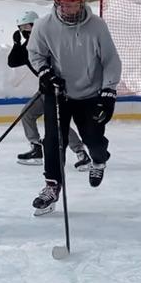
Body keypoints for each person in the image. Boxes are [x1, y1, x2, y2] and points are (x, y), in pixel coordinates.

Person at [27, 0, 122, 214]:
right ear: (56, 2)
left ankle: (99, 159)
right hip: (58, 93)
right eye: (64, 4)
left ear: (81, 1)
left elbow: (111, 60)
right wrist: (45, 72)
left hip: (90, 94)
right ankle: (52, 186)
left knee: (93, 140)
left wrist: (109, 91)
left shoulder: (97, 26)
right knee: (52, 140)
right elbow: (35, 54)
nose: (69, 8)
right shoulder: (44, 25)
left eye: (74, 3)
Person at [7, 10, 92, 170]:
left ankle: (81, 153)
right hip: (45, 90)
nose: (24, 31)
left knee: (58, 124)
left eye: (27, 26)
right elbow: (13, 62)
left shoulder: (47, 42)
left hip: (59, 90)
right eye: (22, 28)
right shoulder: (27, 47)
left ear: (35, 26)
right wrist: (16, 44)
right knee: (28, 114)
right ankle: (36, 148)